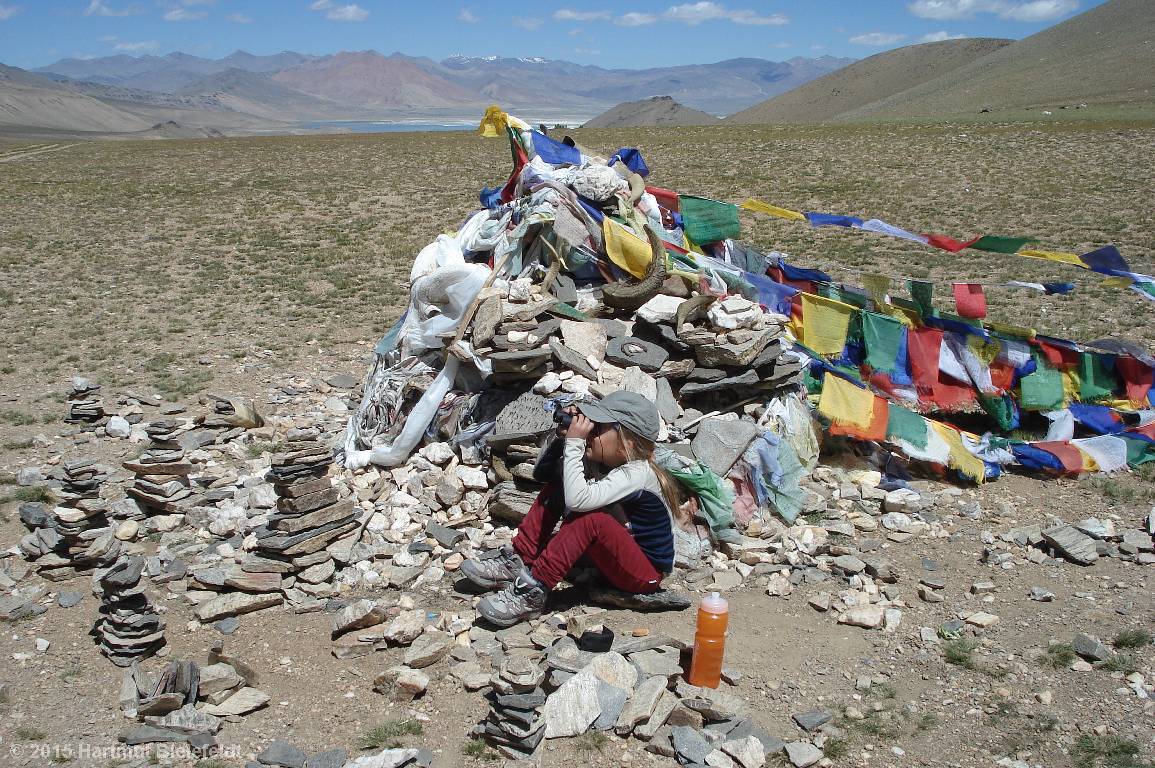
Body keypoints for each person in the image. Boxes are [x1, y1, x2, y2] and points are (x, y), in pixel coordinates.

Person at [462, 391, 683, 627]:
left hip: (644, 575)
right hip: (615, 557)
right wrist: (563, 439)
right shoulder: (608, 461)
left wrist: (576, 444)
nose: (589, 433)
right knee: (562, 485)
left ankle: (533, 591)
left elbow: (578, 501)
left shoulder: (638, 473)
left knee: (593, 519)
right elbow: (544, 475)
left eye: (597, 430)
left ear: (625, 445)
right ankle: (519, 558)